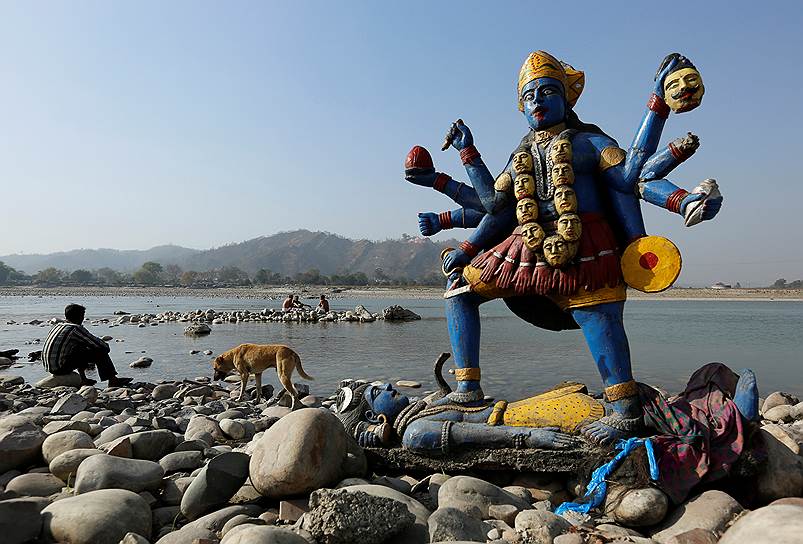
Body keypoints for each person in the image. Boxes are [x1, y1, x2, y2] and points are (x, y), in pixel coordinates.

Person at [42, 304, 132, 387]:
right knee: (99, 351)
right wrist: (105, 348)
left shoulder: (58, 326)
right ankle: (113, 380)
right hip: (60, 368)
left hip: (50, 366)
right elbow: (100, 345)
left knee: (80, 347)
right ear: (79, 316)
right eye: (82, 316)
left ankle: (83, 379)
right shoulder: (75, 328)